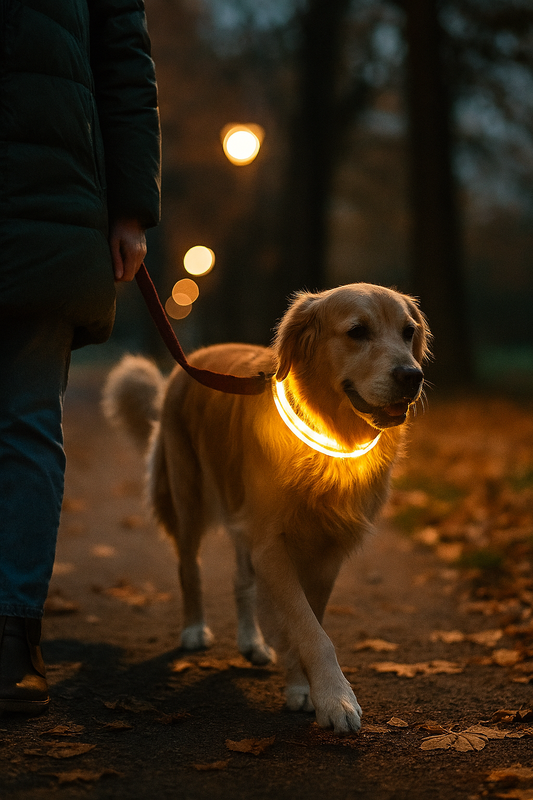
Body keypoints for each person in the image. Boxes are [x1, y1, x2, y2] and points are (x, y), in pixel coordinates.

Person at [0, 0, 161, 715]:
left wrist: (130, 206)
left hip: (49, 204)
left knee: (27, 421)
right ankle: (13, 645)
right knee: (27, 426)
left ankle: (10, 635)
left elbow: (124, 63)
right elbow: (124, 62)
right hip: (55, 207)